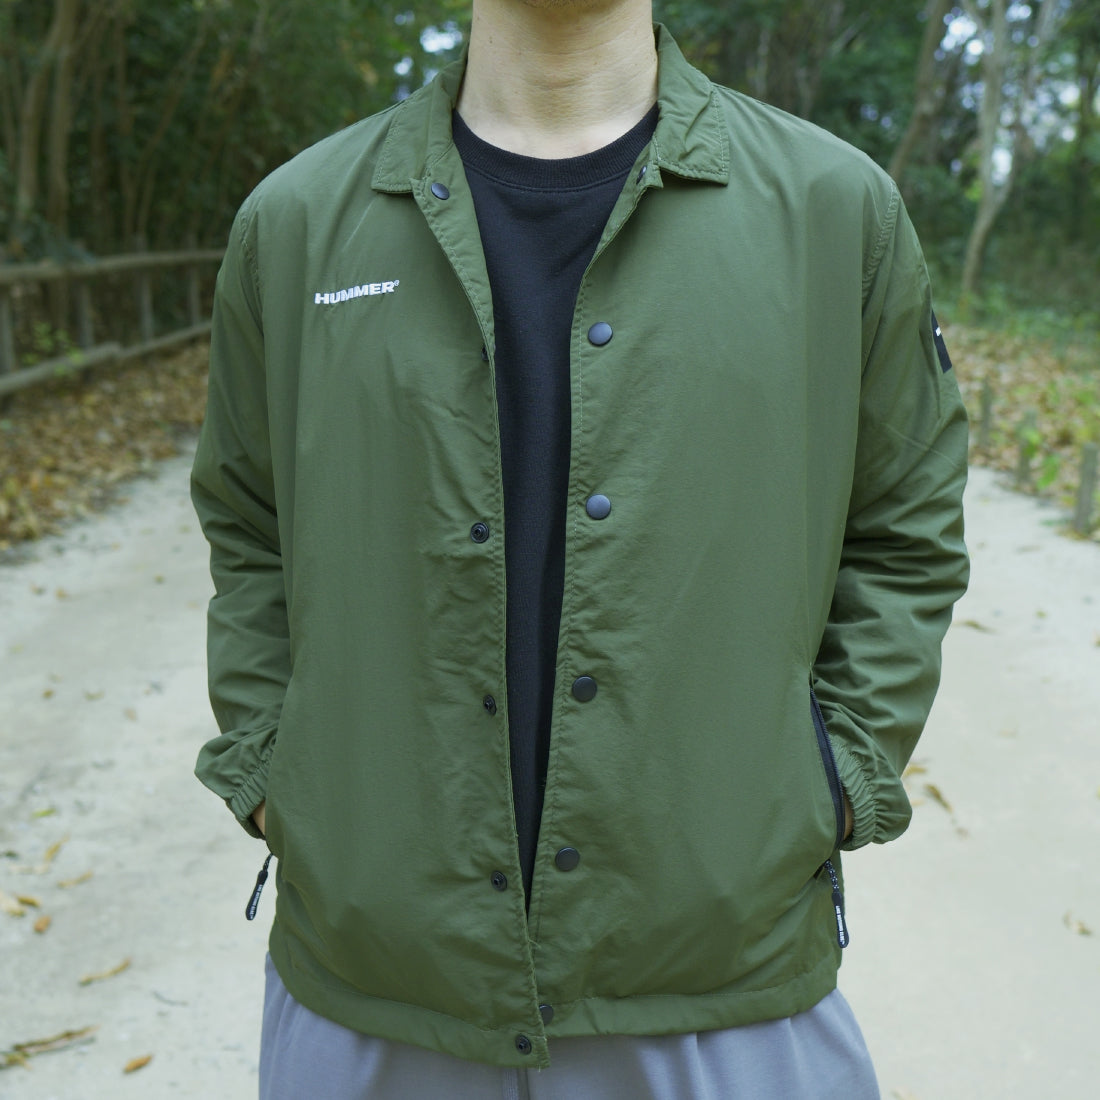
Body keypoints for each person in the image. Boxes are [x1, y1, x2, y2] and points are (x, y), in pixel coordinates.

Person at [190, 0, 969, 1096]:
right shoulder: (295, 223)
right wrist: (275, 768)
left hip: (724, 989)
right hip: (373, 986)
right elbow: (246, 524)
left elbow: (905, 523)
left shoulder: (836, 211)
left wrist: (835, 774)